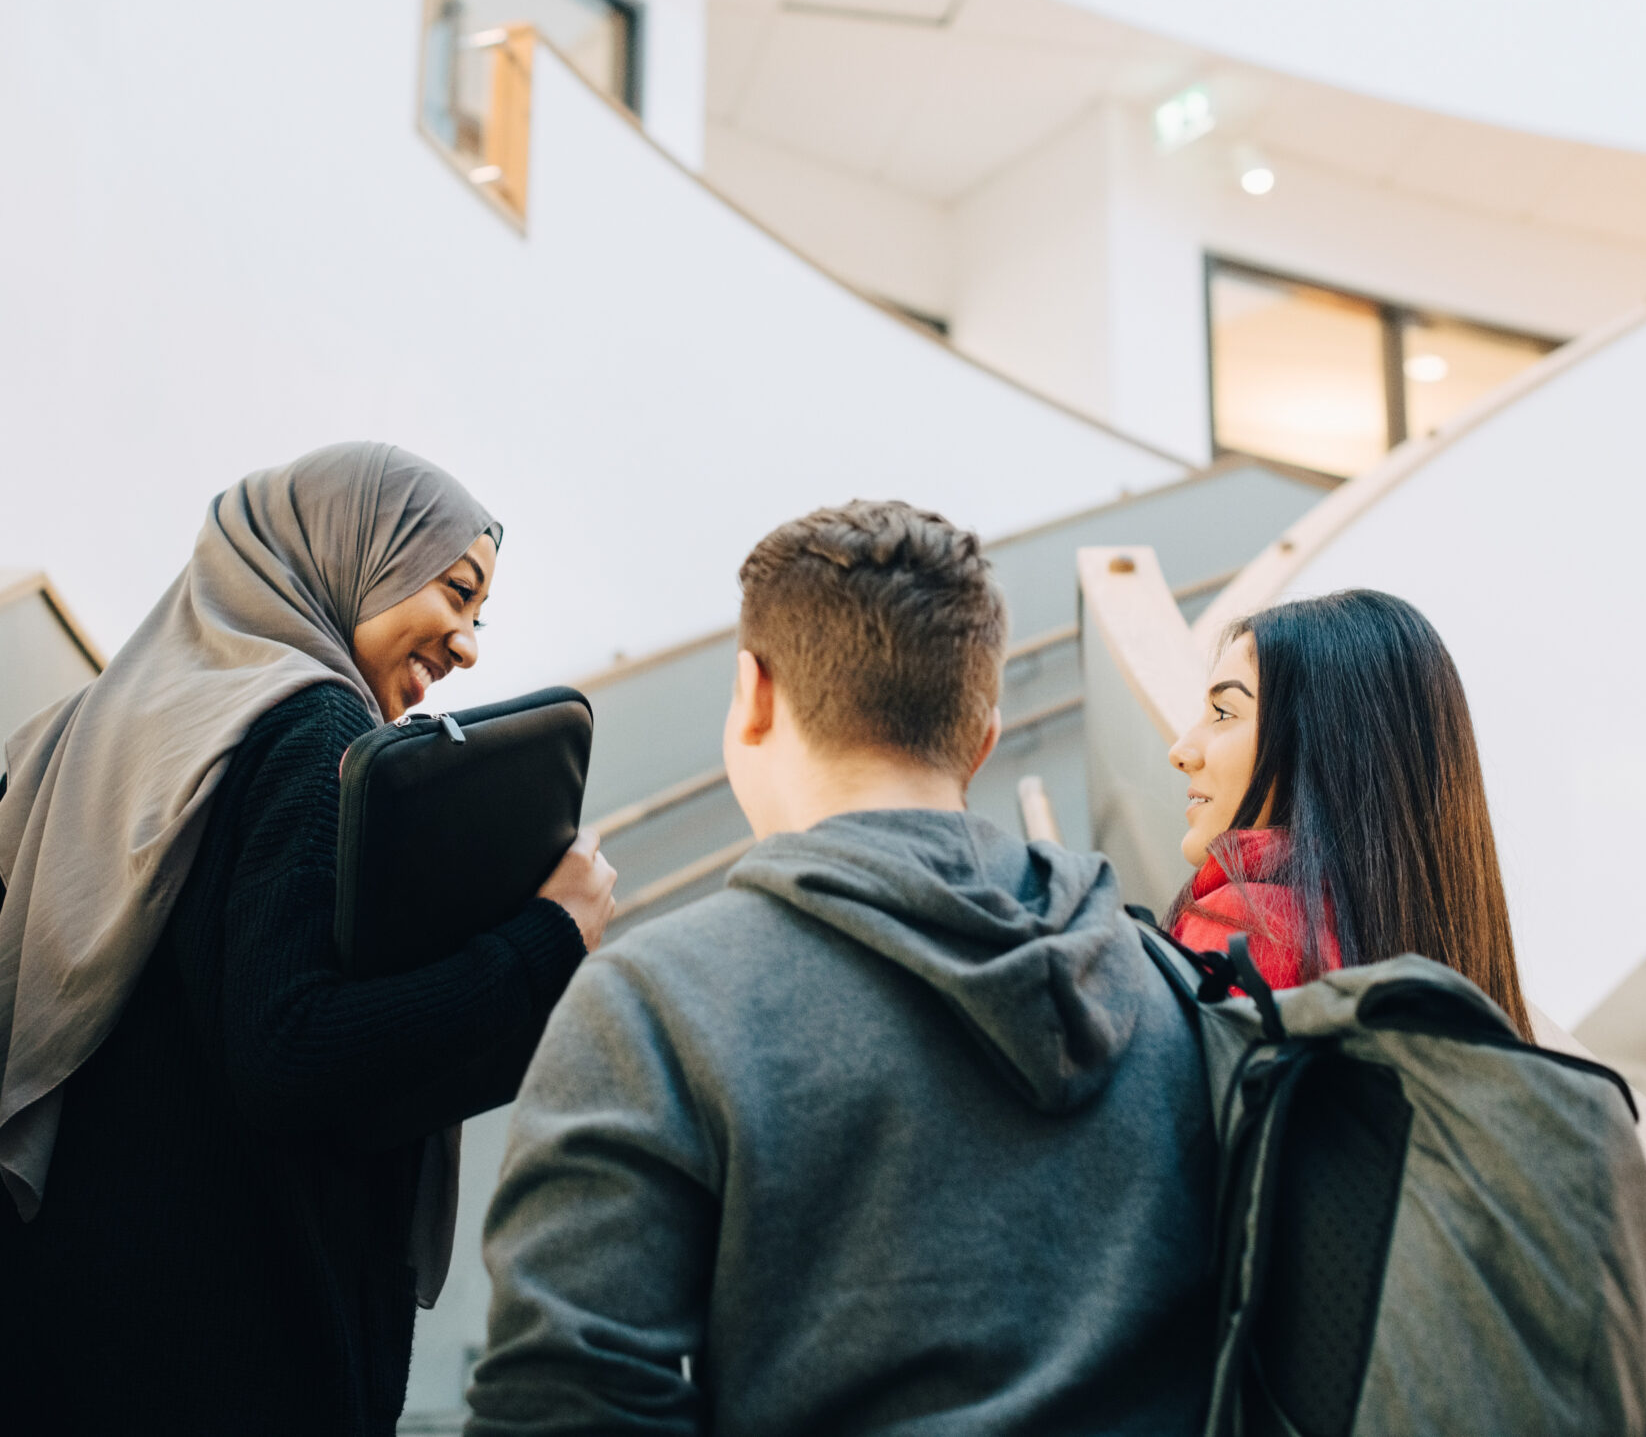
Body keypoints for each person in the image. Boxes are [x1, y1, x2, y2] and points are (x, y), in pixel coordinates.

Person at [0, 442, 618, 1436]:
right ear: (348, 553)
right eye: (456, 590)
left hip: (28, 1357)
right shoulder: (318, 739)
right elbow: (293, 1054)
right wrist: (546, 936)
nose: (468, 643)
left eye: (480, 615)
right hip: (232, 1359)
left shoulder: (70, 744)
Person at [464, 501, 1214, 1436]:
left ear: (754, 696)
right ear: (983, 736)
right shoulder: (1165, 986)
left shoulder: (655, 1002)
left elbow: (566, 1404)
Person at [1163, 587, 1530, 1034]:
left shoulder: (1251, 928)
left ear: (1323, 745)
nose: (1181, 752)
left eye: (1224, 713)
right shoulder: (1452, 966)